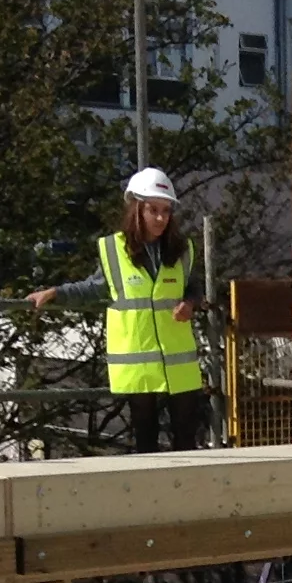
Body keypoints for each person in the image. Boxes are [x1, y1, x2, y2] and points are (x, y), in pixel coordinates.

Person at [27, 167, 208, 453]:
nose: (161, 218)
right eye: (153, 210)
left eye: (166, 211)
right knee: (146, 442)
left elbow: (194, 286)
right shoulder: (114, 250)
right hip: (140, 366)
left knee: (186, 438)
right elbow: (95, 288)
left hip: (179, 363)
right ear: (137, 208)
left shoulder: (181, 249)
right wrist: (55, 293)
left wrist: (190, 303)